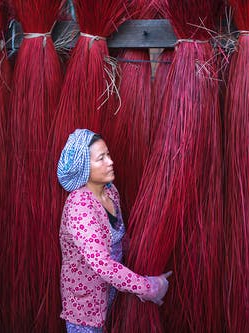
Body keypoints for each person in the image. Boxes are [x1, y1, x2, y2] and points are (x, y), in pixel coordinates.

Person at [57, 128, 172, 332]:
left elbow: (120, 238)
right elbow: (103, 265)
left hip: (113, 295)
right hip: (86, 308)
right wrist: (148, 288)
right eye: (101, 158)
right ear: (84, 167)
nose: (110, 162)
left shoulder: (110, 191)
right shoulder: (80, 207)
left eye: (108, 154)